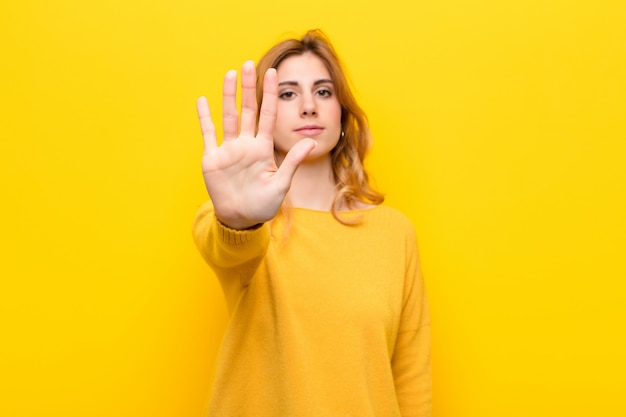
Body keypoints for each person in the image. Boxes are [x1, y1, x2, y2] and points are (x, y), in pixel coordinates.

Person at [193, 29, 431, 416]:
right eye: (288, 94)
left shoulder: (395, 233)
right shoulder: (240, 223)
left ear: (342, 112)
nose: (308, 106)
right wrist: (241, 221)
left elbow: (410, 376)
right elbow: (225, 246)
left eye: (323, 92)